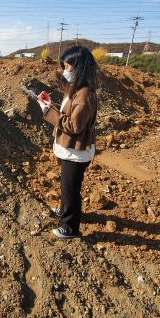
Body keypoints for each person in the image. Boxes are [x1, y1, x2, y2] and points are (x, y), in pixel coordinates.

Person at [38, 45, 98, 239]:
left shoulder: (85, 94)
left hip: (76, 152)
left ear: (79, 67)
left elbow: (74, 126)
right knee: (67, 185)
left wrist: (47, 111)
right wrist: (50, 104)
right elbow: (67, 113)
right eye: (64, 66)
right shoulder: (76, 90)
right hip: (70, 149)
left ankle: (69, 227)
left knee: (71, 189)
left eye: (68, 66)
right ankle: (65, 210)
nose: (65, 71)